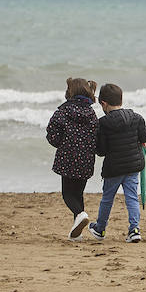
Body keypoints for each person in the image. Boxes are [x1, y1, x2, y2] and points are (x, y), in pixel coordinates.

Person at [84, 83, 146, 243]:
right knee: (132, 198)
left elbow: (101, 150)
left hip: (113, 168)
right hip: (133, 166)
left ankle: (100, 229)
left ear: (104, 103)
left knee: (107, 198)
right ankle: (134, 229)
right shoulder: (136, 117)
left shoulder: (103, 123)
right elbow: (145, 136)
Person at [45, 77, 98, 241]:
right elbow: (97, 135)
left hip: (68, 158)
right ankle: (77, 232)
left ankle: (80, 214)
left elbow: (52, 134)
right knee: (78, 193)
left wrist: (62, 144)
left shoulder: (63, 111)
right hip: (86, 159)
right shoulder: (91, 113)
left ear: (70, 92)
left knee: (68, 194)